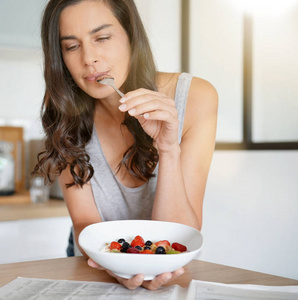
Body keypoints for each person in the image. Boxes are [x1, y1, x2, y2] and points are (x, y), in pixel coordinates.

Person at [33, 0, 218, 291]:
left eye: (102, 38)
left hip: (168, 268)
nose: (89, 59)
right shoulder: (64, 111)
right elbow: (85, 224)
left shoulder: (195, 97)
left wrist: (168, 148)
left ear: (132, 35)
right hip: (96, 261)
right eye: (71, 46)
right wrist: (117, 267)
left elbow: (180, 236)